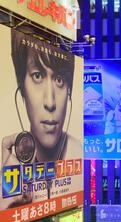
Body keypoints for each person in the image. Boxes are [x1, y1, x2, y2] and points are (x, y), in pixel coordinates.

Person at [1, 29, 82, 209]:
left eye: (59, 80)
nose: (50, 102)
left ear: (69, 89)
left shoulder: (81, 159)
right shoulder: (7, 163)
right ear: (21, 86)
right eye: (37, 76)